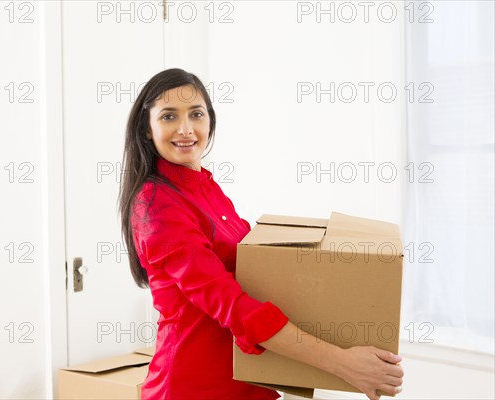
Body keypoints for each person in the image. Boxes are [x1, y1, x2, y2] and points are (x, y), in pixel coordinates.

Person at [119, 68, 404, 400]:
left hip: (250, 381)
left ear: (210, 119)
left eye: (196, 114)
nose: (186, 129)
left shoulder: (205, 187)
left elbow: (257, 273)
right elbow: (232, 305)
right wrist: (343, 364)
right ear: (147, 129)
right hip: (195, 387)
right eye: (169, 116)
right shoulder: (156, 205)